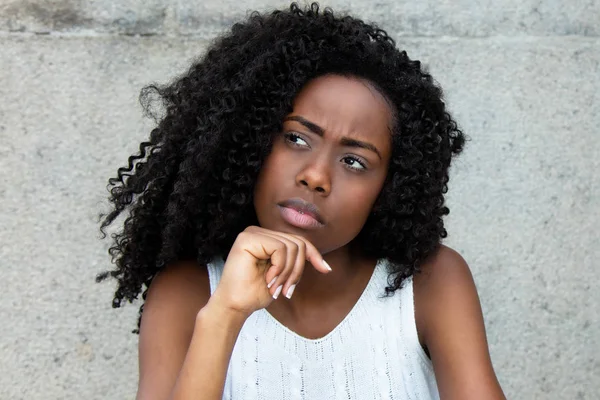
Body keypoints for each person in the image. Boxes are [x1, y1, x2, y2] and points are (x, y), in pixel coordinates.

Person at [98, 2, 506, 399]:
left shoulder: (430, 283)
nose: (315, 176)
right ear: (247, 141)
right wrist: (224, 316)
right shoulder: (187, 292)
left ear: (391, 187)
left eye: (354, 160)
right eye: (295, 138)